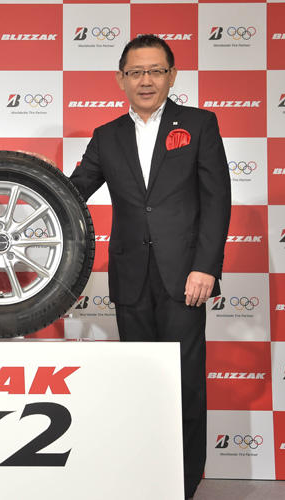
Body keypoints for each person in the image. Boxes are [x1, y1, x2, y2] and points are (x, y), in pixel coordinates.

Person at [68, 35, 231, 499]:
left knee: (185, 383)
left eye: (155, 71)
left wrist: (206, 267)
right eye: (136, 72)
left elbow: (217, 201)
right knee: (140, 384)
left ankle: (184, 483)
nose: (146, 80)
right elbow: (73, 192)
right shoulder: (107, 135)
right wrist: (37, 179)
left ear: (171, 76)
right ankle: (146, 478)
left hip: (186, 278)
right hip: (131, 277)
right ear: (121, 79)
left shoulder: (199, 124)